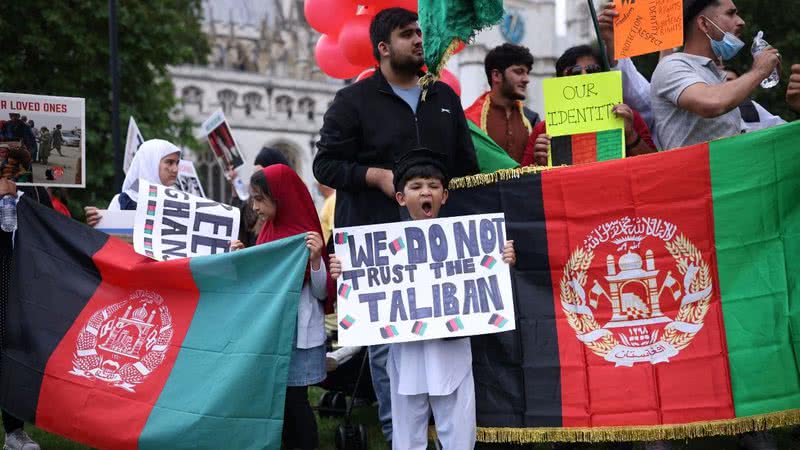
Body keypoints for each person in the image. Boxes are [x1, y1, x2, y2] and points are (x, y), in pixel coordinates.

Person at [313, 7, 479, 445]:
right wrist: (377, 177)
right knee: (389, 349)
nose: (419, 41)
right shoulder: (354, 101)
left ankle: (450, 436)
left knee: (444, 343)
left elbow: (466, 168)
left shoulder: (443, 98)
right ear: (383, 48)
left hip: (440, 250)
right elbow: (325, 164)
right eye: (408, 35)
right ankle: (399, 436)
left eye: (420, 33)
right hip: (379, 247)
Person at [329, 148, 515, 450]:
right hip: (407, 352)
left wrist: (502, 257)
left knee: (458, 428)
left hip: (452, 351)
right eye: (416, 187)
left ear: (444, 195)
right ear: (401, 197)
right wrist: (344, 269)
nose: (425, 192)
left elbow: (487, 278)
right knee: (407, 430)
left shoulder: (469, 239)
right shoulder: (383, 246)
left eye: (432, 186)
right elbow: (362, 280)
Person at [230, 164, 334, 450]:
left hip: (297, 335)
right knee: (280, 400)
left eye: (260, 199)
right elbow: (263, 280)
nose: (255, 207)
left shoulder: (306, 236)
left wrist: (315, 261)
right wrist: (244, 258)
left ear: (281, 197)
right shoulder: (268, 232)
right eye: (254, 198)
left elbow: (322, 291)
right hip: (274, 332)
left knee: (295, 400)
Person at [650, 0, 781, 150]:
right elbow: (712, 103)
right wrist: (759, 71)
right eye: (730, 14)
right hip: (695, 173)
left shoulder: (717, 76)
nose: (741, 22)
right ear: (704, 24)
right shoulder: (671, 65)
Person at [522, 45, 656, 166]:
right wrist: (540, 163)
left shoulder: (627, 118)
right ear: (559, 82)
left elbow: (654, 166)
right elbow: (524, 182)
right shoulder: (544, 130)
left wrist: (631, 135)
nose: (584, 76)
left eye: (593, 70)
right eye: (574, 72)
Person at [464, 43, 538, 164]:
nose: (526, 79)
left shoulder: (532, 119)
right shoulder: (469, 122)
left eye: (527, 72)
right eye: (519, 72)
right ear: (496, 75)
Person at [85, 139, 180, 226]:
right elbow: (111, 239)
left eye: (177, 163)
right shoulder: (123, 201)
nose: (175, 169)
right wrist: (100, 222)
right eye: (170, 162)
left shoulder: (181, 202)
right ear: (150, 163)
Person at [721, 66, 786, 132]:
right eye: (721, 81)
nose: (726, 85)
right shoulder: (710, 110)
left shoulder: (751, 108)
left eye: (730, 81)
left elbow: (780, 127)